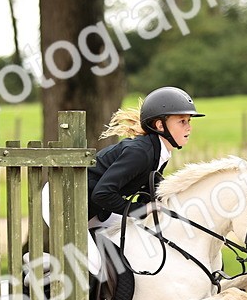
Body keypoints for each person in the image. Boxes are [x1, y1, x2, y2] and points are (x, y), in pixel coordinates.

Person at [87, 86, 204, 235]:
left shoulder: (159, 152)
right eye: (182, 121)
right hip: (67, 201)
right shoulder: (140, 153)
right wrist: (141, 210)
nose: (189, 128)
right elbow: (102, 194)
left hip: (96, 206)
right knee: (96, 255)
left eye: (189, 121)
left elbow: (148, 190)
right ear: (160, 125)